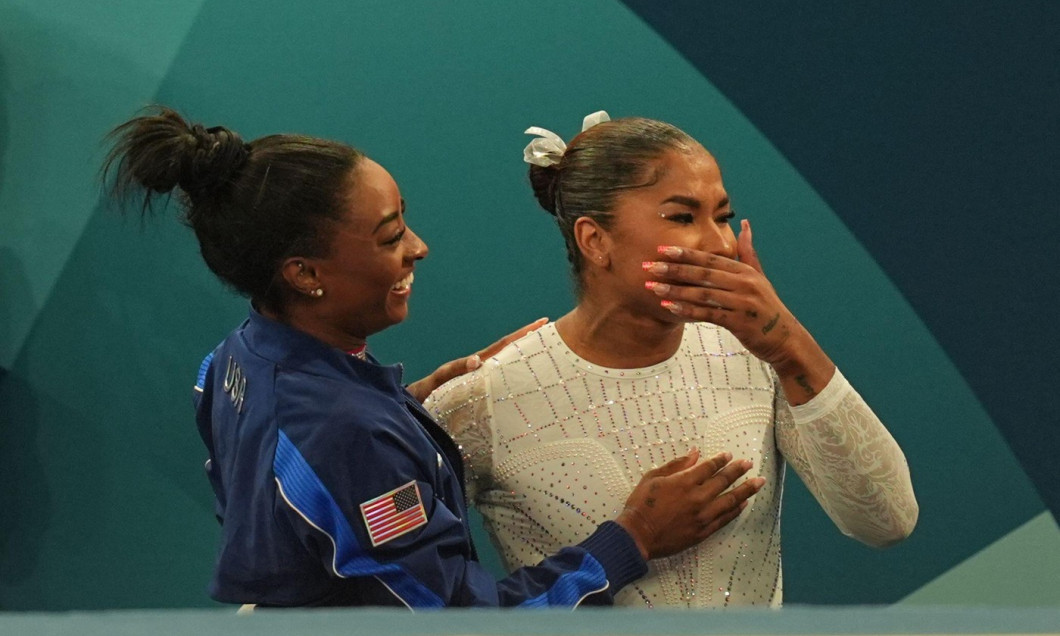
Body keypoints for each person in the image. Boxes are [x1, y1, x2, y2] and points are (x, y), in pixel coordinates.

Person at [102, 106, 764, 608]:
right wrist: (631, 539)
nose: (419, 248)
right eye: (391, 237)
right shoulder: (344, 430)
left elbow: (280, 488)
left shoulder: (234, 362)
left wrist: (404, 411)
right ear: (306, 274)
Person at [425, 112, 919, 608]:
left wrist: (787, 344)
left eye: (722, 216)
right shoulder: (480, 402)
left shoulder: (758, 354)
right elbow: (417, 600)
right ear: (595, 240)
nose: (720, 243)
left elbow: (887, 521)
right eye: (683, 217)